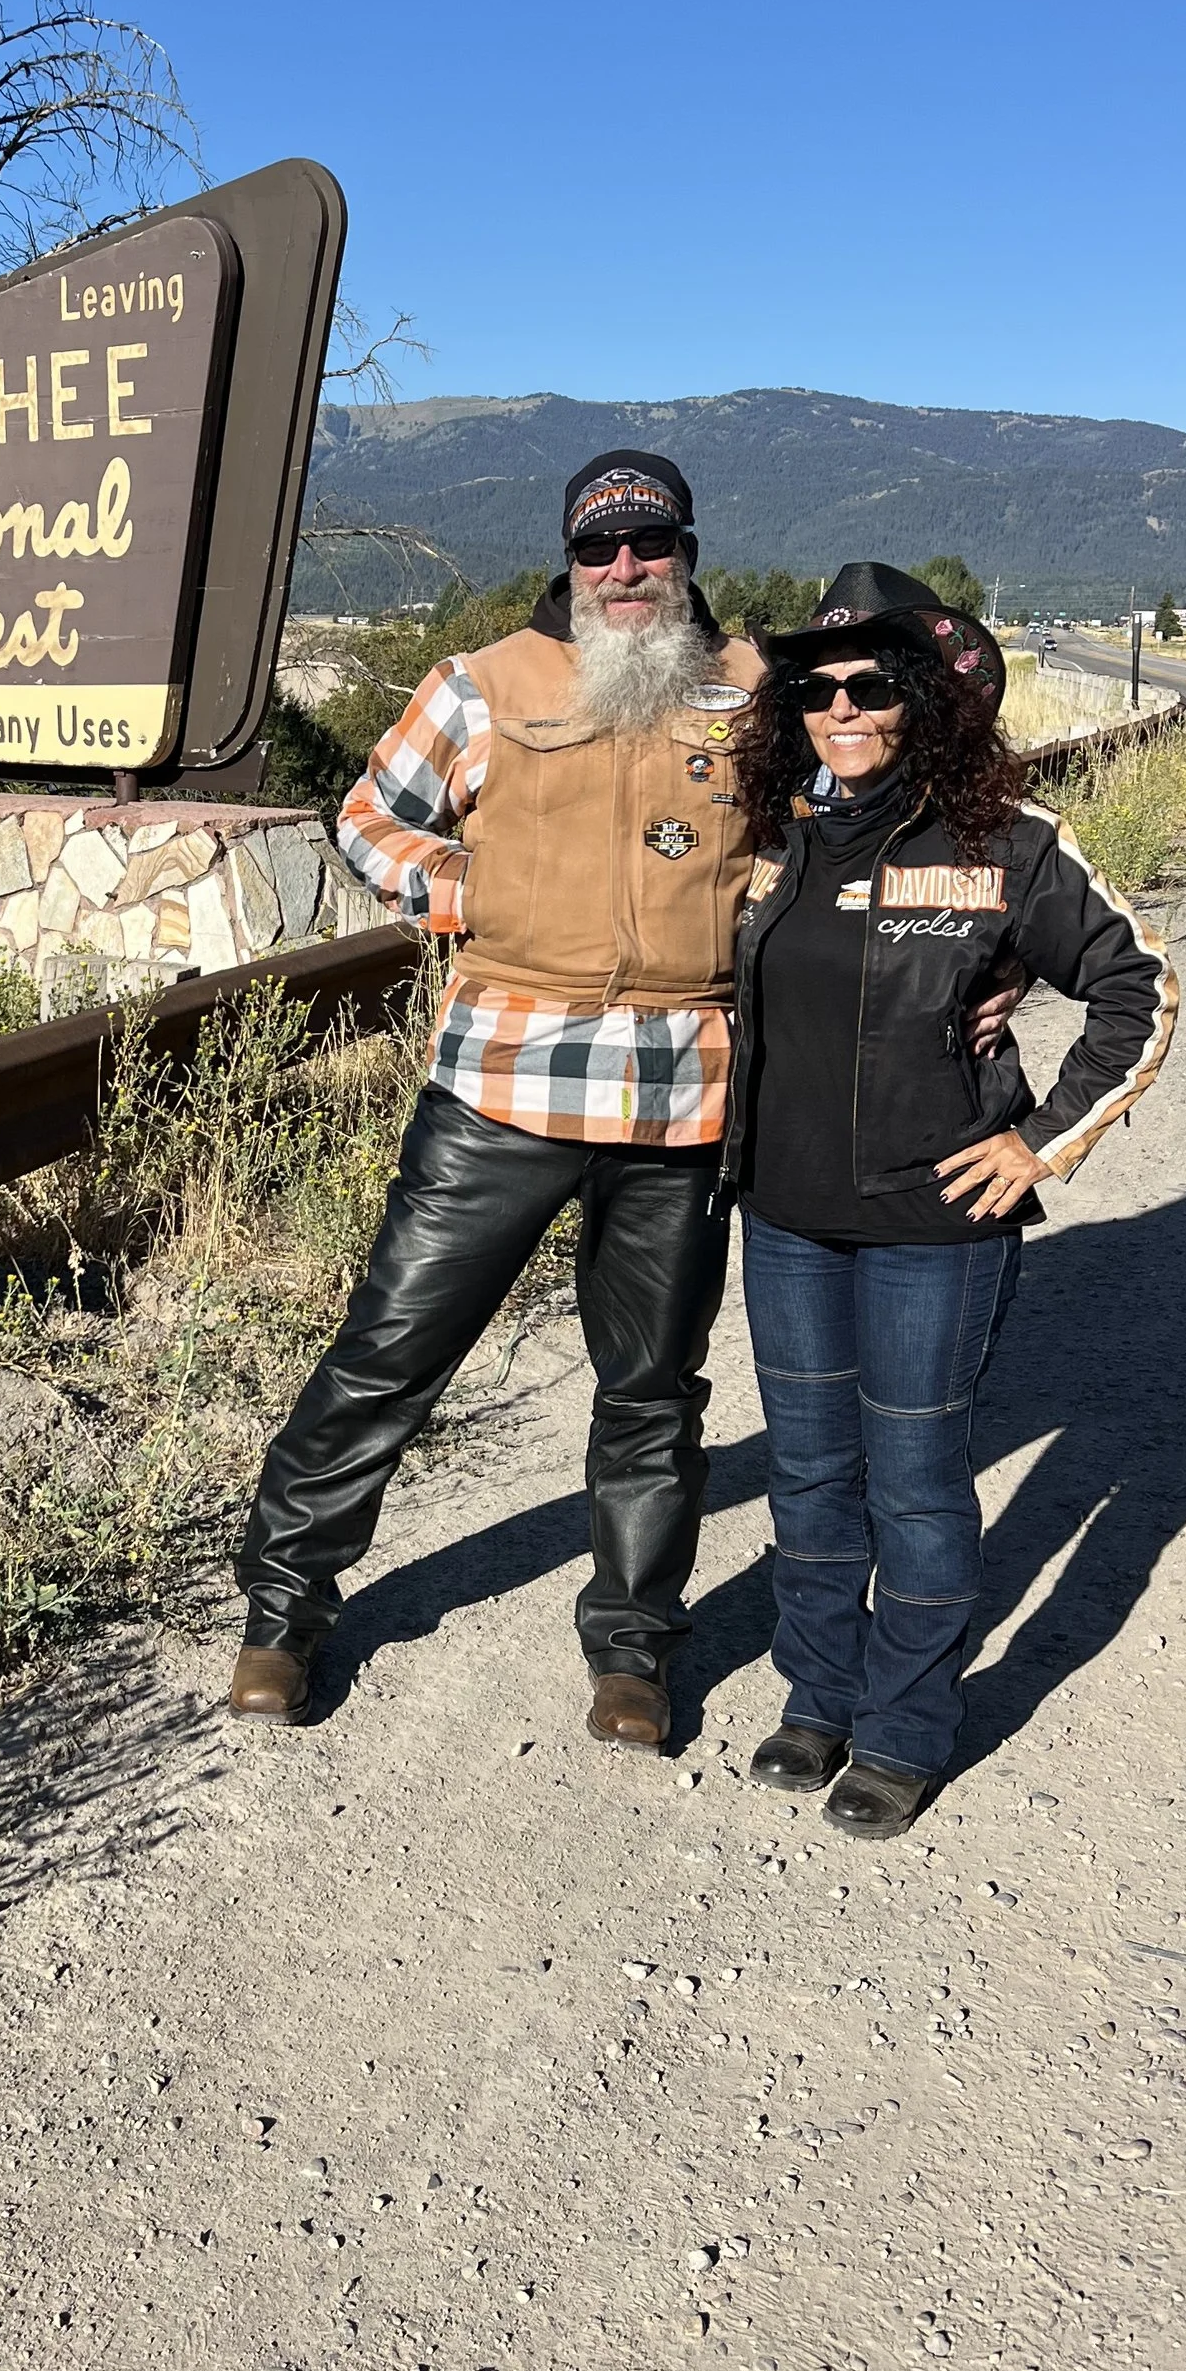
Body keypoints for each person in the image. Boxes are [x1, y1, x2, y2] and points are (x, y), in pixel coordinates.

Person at [229, 450, 760, 1739]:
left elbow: (812, 841)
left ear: (687, 551)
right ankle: (282, 1611)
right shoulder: (485, 686)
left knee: (653, 1390)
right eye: (600, 551)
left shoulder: (755, 691)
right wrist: (475, 895)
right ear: (569, 566)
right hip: (499, 1086)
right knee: (388, 1355)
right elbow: (367, 822)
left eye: (650, 545)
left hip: (684, 1098)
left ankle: (632, 1650)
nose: (624, 571)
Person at [722, 563, 1179, 1836]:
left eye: (873, 685)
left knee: (914, 1476)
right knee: (810, 1477)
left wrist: (1041, 1142)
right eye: (815, 688)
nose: (841, 709)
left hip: (939, 1225)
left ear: (924, 699)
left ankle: (906, 1727)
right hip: (787, 1215)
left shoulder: (1009, 845)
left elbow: (1138, 985)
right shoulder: (779, 837)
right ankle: (818, 1696)